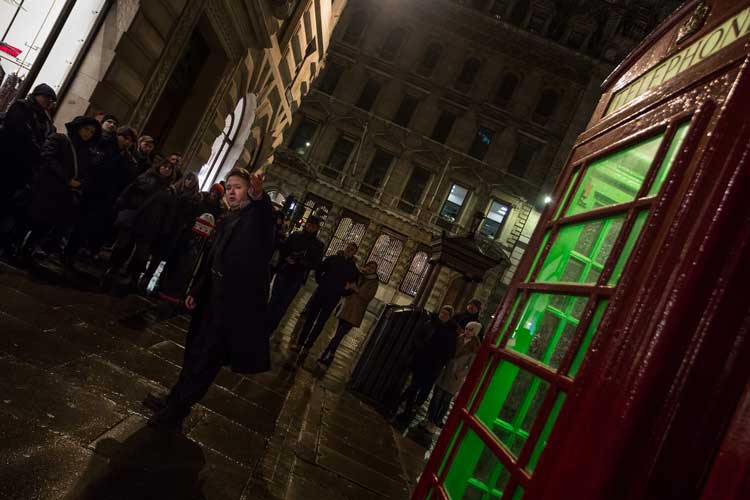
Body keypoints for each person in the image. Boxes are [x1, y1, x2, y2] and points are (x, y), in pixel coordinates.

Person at [144, 167, 274, 431]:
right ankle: (173, 399)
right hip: (209, 299)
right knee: (193, 354)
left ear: (249, 191)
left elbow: (264, 215)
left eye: (238, 187)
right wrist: (195, 291)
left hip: (231, 308)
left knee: (206, 361)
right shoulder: (227, 219)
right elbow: (213, 258)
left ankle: (176, 412)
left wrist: (260, 196)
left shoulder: (256, 218)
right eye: (229, 188)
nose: (232, 192)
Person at [24, 116, 100, 263]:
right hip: (47, 188)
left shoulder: (88, 153)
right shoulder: (60, 139)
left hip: (64, 194)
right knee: (31, 219)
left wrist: (80, 183)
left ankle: (30, 249)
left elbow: (88, 173)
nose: (88, 134)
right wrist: (67, 179)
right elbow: (48, 157)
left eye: (91, 132)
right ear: (78, 127)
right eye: (86, 129)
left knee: (45, 225)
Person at [102, 160, 175, 288]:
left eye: (170, 168)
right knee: (123, 245)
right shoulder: (145, 178)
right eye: (165, 166)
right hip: (134, 218)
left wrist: (165, 227)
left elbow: (168, 211)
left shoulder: (169, 190)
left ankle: (132, 275)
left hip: (150, 224)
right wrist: (123, 203)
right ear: (159, 167)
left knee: (141, 252)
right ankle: (113, 268)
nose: (166, 169)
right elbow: (130, 190)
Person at [0, 84, 56, 251]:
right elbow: (19, 132)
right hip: (8, 161)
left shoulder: (45, 119)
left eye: (51, 100)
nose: (49, 102)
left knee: (9, 203)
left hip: (24, 168)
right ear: (38, 95)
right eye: (46, 98)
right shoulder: (22, 107)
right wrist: (36, 148)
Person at [393, 305, 459, 428]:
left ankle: (411, 407)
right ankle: (407, 409)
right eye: (442, 313)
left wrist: (439, 358)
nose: (443, 316)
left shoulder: (451, 333)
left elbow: (450, 352)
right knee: (414, 385)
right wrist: (422, 347)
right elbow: (418, 337)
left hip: (434, 365)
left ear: (449, 317)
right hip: (421, 360)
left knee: (424, 389)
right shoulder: (430, 323)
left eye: (446, 315)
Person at [293, 242, 359, 355]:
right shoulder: (333, 258)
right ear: (345, 248)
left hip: (333, 298)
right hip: (321, 292)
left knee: (321, 323)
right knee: (310, 318)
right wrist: (320, 281)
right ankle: (299, 343)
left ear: (354, 253)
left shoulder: (353, 269)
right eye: (348, 247)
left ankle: (308, 346)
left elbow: (353, 287)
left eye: (352, 249)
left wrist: (342, 292)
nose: (349, 250)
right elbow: (319, 269)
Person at [267, 216, 324, 336]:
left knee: (283, 306)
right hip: (284, 271)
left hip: (297, 277)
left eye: (313, 225)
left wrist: (303, 262)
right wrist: (287, 257)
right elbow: (284, 249)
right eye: (309, 224)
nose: (310, 227)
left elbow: (316, 263)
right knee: (273, 301)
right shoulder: (296, 236)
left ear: (317, 228)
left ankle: (270, 330)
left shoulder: (318, 245)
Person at [421, 321, 482, 433]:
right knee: (436, 397)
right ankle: (429, 419)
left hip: (455, 377)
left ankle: (435, 422)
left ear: (475, 332)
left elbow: (470, 366)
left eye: (470, 330)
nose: (467, 331)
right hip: (445, 371)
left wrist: (459, 374)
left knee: (445, 401)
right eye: (467, 328)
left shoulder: (474, 347)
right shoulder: (458, 339)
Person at [318, 260, 379, 367]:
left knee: (339, 335)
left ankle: (325, 354)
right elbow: (348, 283)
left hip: (355, 313)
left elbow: (368, 296)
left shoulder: (374, 282)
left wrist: (357, 289)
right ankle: (330, 356)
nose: (370, 269)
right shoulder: (360, 276)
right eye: (369, 266)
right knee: (338, 334)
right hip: (346, 307)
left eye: (373, 268)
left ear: (375, 271)